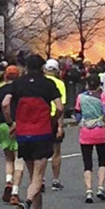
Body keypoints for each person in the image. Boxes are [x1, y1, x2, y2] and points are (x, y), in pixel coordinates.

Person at [2, 55, 64, 209]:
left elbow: (5, 103)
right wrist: (52, 120)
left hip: (23, 134)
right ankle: (27, 204)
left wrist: (11, 122)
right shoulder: (48, 84)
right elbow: (59, 108)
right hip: (42, 133)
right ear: (43, 67)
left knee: (32, 177)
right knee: (38, 178)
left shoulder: (18, 84)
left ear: (27, 67)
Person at [0, 65, 25, 205]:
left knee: (8, 158)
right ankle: (15, 192)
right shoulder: (21, 90)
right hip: (18, 125)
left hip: (3, 125)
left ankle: (8, 181)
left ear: (6, 75)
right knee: (19, 159)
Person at [75, 74, 105, 203]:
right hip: (100, 131)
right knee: (102, 161)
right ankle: (100, 187)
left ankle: (88, 190)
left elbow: (77, 113)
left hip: (86, 132)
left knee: (87, 163)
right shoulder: (102, 96)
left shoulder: (81, 97)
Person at [44, 59, 67, 191]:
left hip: (41, 119)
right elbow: (60, 106)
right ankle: (55, 180)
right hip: (54, 118)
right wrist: (60, 125)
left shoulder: (40, 82)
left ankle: (40, 179)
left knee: (40, 152)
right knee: (56, 151)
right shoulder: (60, 84)